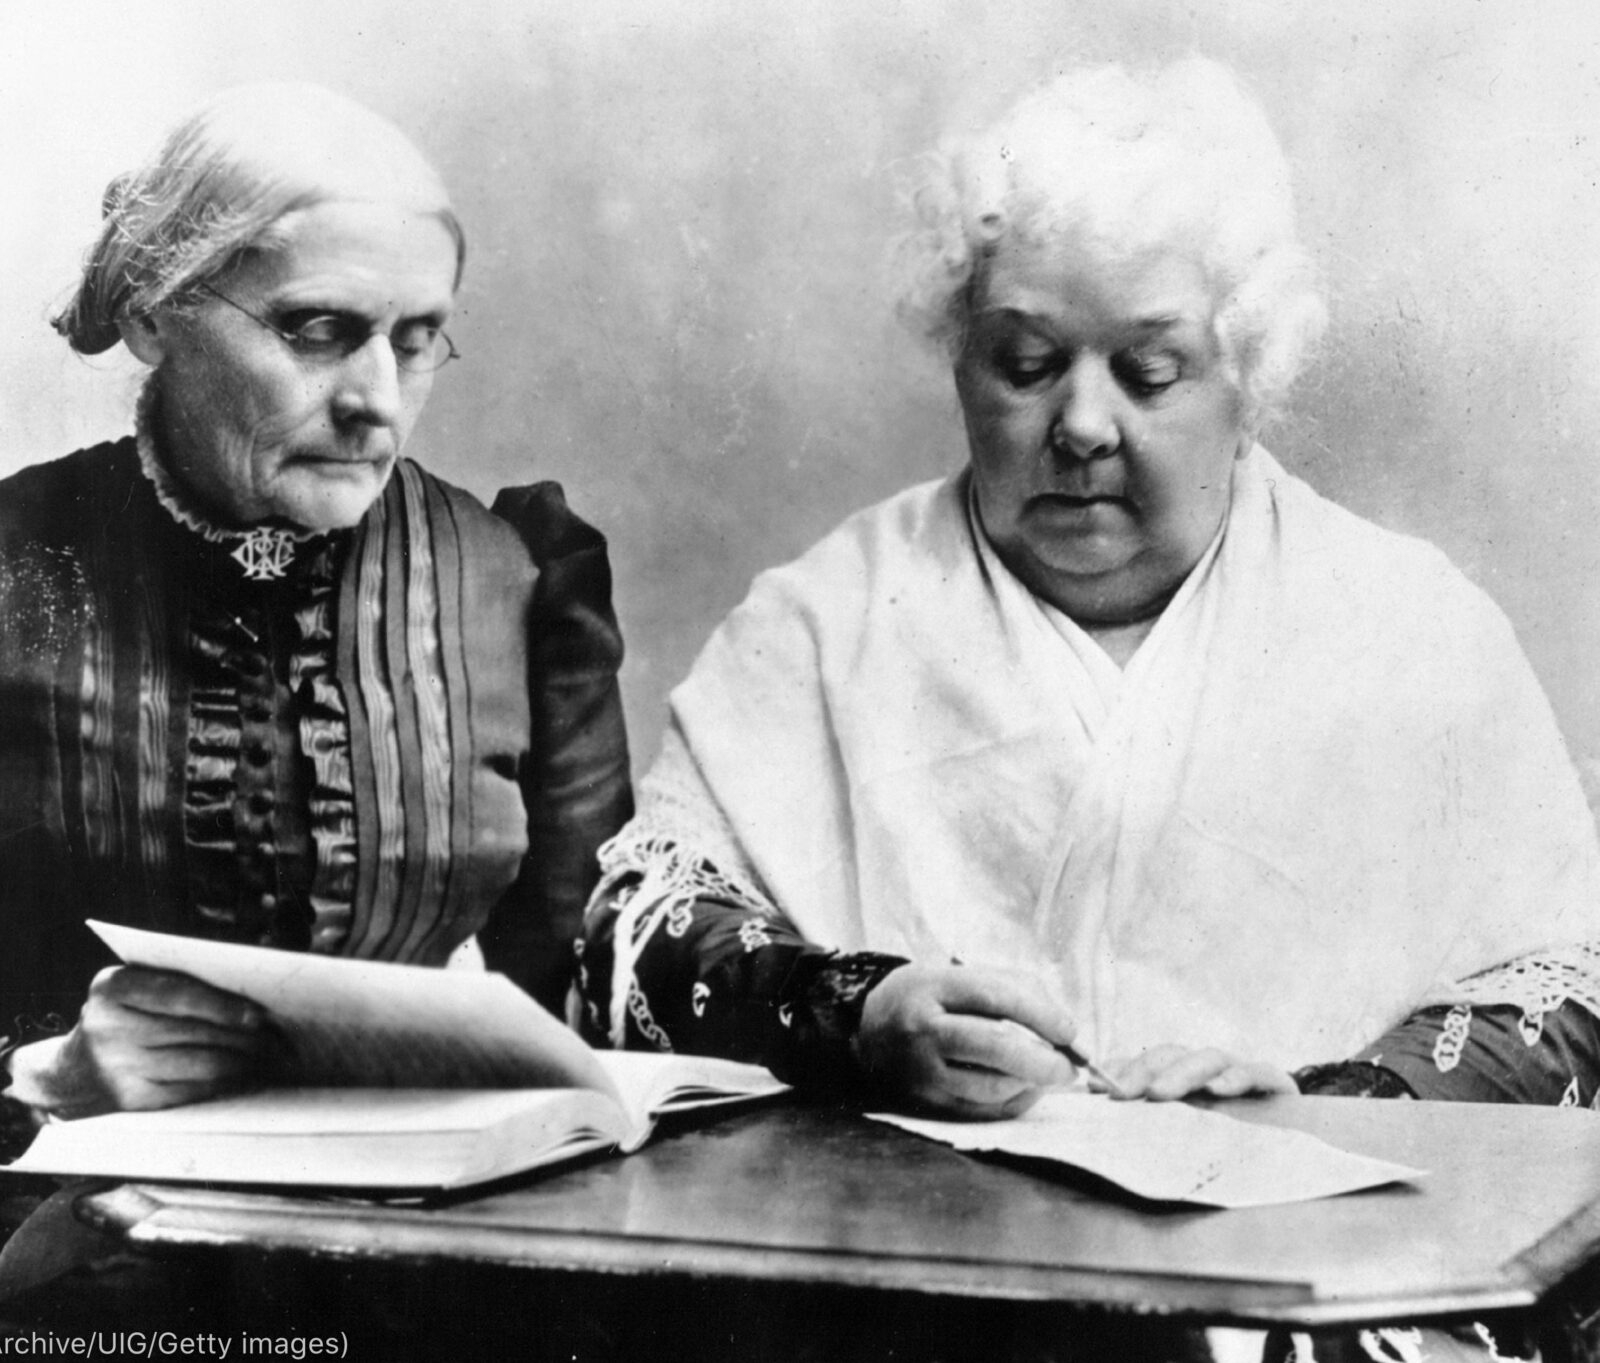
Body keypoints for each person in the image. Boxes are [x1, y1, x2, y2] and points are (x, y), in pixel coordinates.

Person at [578, 59, 1600, 1361]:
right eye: (1026, 363)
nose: (1080, 424)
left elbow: (1566, 989)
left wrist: (1328, 1103)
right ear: (962, 361)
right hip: (904, 1294)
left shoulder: (1412, 629)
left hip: (1317, 1289)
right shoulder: (827, 619)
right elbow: (633, 932)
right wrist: (860, 1011)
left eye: (1150, 371)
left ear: (1248, 379)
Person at [0, 83, 631, 1347]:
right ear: (155, 313)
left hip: (388, 1254)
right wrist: (43, 1075)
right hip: (3, 1253)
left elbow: (596, 1004)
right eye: (318, 331)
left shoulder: (514, 579)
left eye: (416, 341)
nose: (376, 399)